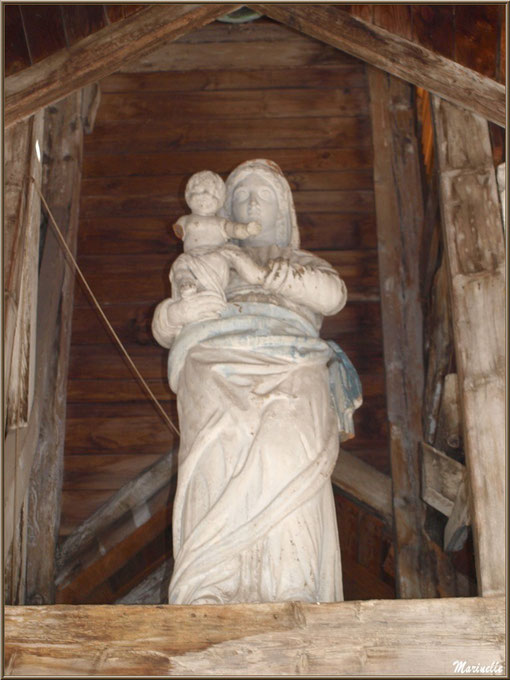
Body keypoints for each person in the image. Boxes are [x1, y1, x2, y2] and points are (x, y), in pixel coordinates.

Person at [152, 159, 362, 604]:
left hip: (292, 364)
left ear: (283, 211)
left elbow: (332, 295)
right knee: (215, 461)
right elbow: (166, 322)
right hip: (213, 364)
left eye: (262, 194)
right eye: (242, 193)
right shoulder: (206, 259)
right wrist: (180, 313)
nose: (250, 201)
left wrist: (259, 274)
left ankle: (292, 585)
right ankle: (211, 586)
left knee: (288, 460)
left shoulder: (303, 263)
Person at [171, 170, 260, 300]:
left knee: (217, 261)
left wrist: (246, 229)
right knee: (179, 265)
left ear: (220, 200)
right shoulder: (186, 219)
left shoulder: (219, 222)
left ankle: (203, 290)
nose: (203, 197)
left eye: (209, 193)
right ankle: (186, 283)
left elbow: (233, 229)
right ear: (188, 196)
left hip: (214, 254)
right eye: (198, 192)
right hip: (192, 255)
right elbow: (179, 231)